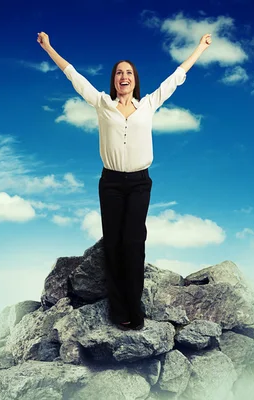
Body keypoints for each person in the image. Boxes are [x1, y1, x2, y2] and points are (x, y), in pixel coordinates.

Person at [37, 31, 211, 330]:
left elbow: (176, 77)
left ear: (135, 79)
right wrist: (49, 47)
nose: (124, 76)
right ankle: (119, 312)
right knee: (114, 245)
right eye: (119, 72)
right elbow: (73, 76)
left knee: (134, 242)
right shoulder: (102, 103)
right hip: (112, 183)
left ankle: (135, 306)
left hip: (140, 183)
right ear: (114, 80)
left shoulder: (148, 105)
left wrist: (200, 48)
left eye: (128, 72)